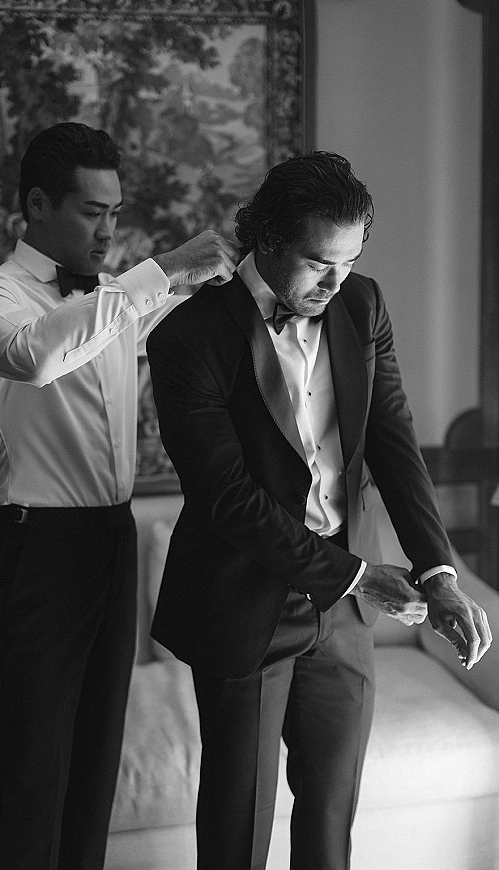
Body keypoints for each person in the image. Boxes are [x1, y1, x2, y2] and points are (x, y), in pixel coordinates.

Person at [146, 151, 493, 870]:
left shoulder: (362, 305)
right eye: (317, 263)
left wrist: (440, 572)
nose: (335, 283)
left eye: (349, 260)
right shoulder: (188, 337)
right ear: (266, 239)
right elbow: (227, 500)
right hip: (244, 601)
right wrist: (360, 575)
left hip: (344, 618)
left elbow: (395, 444)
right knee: (236, 831)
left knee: (332, 820)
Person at [0, 121, 240, 870]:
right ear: (38, 204)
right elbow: (39, 356)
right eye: (91, 212)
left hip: (113, 542)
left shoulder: (114, 302)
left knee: (94, 771)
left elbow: (192, 327)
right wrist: (163, 268)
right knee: (31, 772)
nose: (110, 230)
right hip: (34, 548)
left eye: (116, 212)